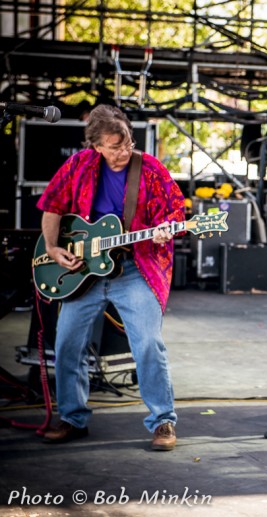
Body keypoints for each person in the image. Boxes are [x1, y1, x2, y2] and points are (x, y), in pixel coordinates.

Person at [37, 104, 184, 451]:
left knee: (148, 343)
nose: (124, 151)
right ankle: (72, 418)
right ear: (96, 146)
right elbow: (52, 206)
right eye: (115, 146)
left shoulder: (148, 168)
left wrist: (166, 229)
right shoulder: (78, 165)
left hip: (135, 267)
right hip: (83, 271)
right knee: (66, 344)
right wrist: (54, 247)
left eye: (128, 143)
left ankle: (163, 421)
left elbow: (176, 211)